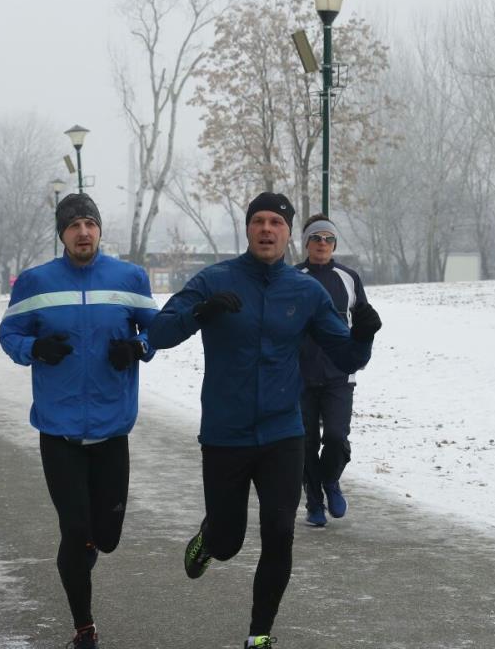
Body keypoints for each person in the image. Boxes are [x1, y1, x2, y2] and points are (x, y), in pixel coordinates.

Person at [148, 192, 382, 649]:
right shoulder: (214, 279)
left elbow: (346, 354)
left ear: (288, 232)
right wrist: (200, 312)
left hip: (282, 433)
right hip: (225, 434)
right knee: (228, 542)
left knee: (279, 534)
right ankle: (208, 538)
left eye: (276, 221)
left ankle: (259, 635)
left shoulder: (306, 292)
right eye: (259, 221)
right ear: (248, 228)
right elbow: (157, 333)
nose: (267, 229)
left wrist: (364, 335)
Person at [0, 193, 158, 649]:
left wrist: (138, 347)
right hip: (59, 429)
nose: (82, 232)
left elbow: (156, 328)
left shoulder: (129, 278)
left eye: (90, 223)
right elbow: (9, 333)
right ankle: (83, 627)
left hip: (112, 428)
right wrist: (35, 349)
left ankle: (85, 550)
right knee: (76, 530)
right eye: (73, 226)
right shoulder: (35, 283)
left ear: (100, 229)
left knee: (105, 537)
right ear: (61, 233)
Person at [295, 214, 371, 528]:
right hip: (299, 374)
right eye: (316, 238)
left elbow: (365, 322)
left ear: (335, 243)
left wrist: (360, 354)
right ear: (306, 243)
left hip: (340, 373)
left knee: (337, 437)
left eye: (327, 238)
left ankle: (330, 481)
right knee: (305, 442)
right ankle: (314, 502)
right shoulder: (292, 276)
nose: (322, 244)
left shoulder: (349, 277)